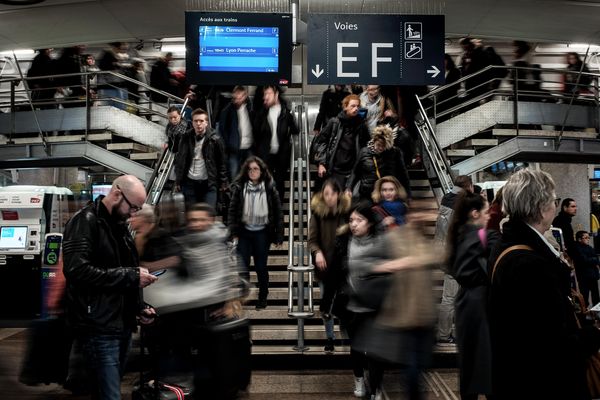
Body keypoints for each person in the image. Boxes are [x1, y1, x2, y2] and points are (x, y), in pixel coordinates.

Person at [488, 168, 600, 399]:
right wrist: (595, 334)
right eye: (554, 200)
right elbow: (554, 344)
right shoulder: (529, 263)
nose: (555, 205)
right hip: (541, 383)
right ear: (541, 207)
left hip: (516, 377)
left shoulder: (507, 245)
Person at [62, 175, 158, 400]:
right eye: (132, 207)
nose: (133, 213)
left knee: (106, 391)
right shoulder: (85, 221)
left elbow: (122, 269)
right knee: (109, 394)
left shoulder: (118, 225)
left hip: (119, 323)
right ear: (117, 194)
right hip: (98, 326)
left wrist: (139, 307)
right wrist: (131, 276)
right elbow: (77, 271)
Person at [446, 191, 498, 400]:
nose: (489, 216)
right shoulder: (484, 237)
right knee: (486, 358)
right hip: (482, 301)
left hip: (464, 301)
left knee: (469, 358)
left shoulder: (456, 235)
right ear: (475, 213)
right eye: (485, 212)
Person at [228, 156, 283, 310]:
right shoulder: (239, 187)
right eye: (250, 169)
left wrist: (279, 234)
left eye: (255, 169)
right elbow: (232, 211)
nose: (252, 172)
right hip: (244, 232)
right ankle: (243, 295)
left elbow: (278, 212)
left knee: (260, 267)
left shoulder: (270, 187)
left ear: (261, 171)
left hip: (262, 233)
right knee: (243, 266)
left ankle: (263, 297)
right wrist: (233, 231)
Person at [308, 178, 351, 353]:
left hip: (343, 267)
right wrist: (317, 252)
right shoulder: (317, 213)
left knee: (344, 303)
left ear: (338, 194)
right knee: (327, 303)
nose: (329, 197)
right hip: (325, 267)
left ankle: (347, 338)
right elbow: (311, 240)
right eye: (326, 194)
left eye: (332, 193)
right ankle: (330, 338)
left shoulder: (347, 212)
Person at [434, 175, 474, 345]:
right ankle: (445, 334)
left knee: (451, 297)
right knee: (451, 298)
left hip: (445, 253)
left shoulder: (446, 199)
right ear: (469, 186)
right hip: (457, 256)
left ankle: (449, 333)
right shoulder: (462, 203)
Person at [174, 108, 229, 209]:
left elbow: (222, 162)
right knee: (191, 215)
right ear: (192, 122)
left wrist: (223, 182)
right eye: (196, 121)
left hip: (208, 183)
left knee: (208, 213)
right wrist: (178, 180)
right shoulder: (186, 137)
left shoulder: (215, 139)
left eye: (201, 121)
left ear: (206, 123)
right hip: (190, 182)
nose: (198, 123)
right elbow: (180, 160)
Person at [313, 94, 370, 189]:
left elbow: (366, 146)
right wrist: (321, 163)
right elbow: (321, 142)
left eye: (358, 106)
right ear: (345, 107)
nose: (356, 109)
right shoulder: (335, 122)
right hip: (335, 169)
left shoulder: (361, 125)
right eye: (353, 106)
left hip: (353, 170)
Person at [252, 84, 298, 199]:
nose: (265, 97)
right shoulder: (261, 114)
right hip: (265, 155)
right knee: (266, 183)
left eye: (268, 94)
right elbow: (256, 133)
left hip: (281, 155)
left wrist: (288, 142)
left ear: (276, 94)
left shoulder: (285, 113)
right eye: (264, 94)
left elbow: (295, 129)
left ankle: (278, 210)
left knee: (279, 182)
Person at [346, 125, 411, 202]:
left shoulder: (395, 153)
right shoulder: (364, 152)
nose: (381, 148)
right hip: (367, 194)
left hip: (388, 195)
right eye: (378, 145)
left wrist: (408, 194)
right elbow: (355, 172)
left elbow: (403, 174)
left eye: (384, 146)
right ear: (374, 141)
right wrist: (349, 188)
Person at [218, 85, 254, 179]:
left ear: (245, 96)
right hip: (234, 148)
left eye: (240, 96)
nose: (238, 99)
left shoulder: (251, 108)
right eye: (236, 97)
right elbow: (222, 129)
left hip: (249, 147)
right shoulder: (227, 110)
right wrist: (229, 143)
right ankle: (233, 193)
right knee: (234, 174)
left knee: (251, 174)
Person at [573, 230, 600, 307]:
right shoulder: (577, 248)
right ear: (579, 239)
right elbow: (584, 260)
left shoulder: (589, 247)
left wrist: (593, 260)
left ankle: (596, 313)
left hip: (593, 275)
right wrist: (593, 259)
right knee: (584, 296)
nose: (588, 239)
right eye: (586, 237)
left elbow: (597, 259)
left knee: (596, 297)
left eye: (588, 237)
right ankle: (584, 314)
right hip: (584, 277)